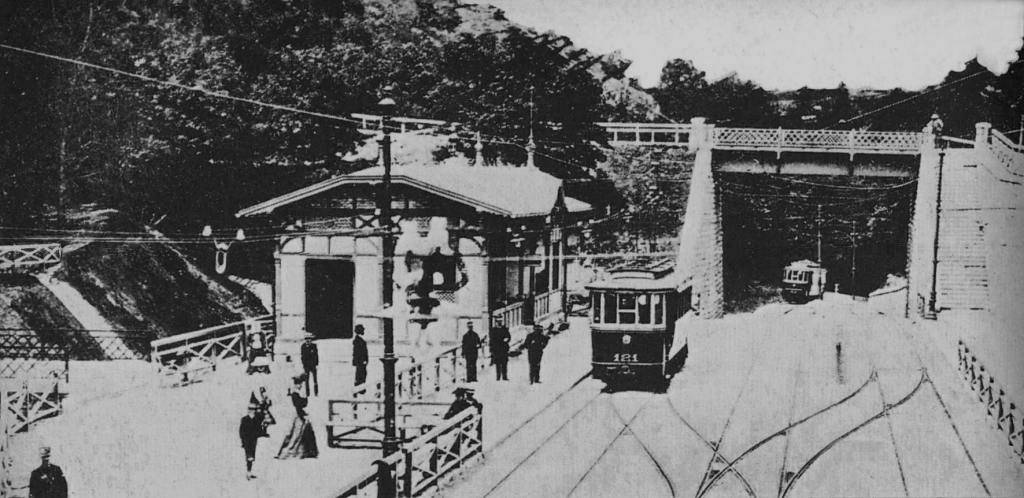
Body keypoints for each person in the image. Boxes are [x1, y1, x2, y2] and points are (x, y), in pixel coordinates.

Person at [276, 375, 319, 459]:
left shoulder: (296, 393)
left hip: (298, 414)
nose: (300, 386)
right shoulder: (295, 393)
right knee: (296, 434)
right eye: (299, 384)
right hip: (297, 415)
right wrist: (303, 416)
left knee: (299, 433)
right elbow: (298, 407)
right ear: (296, 384)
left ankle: (305, 451)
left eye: (301, 384)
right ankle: (289, 452)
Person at [239, 404, 261, 480]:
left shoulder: (256, 419)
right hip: (247, 440)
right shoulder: (244, 419)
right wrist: (243, 441)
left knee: (252, 456)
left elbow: (259, 429)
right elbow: (241, 431)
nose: (252, 411)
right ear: (248, 410)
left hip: (253, 440)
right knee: (249, 456)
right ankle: (248, 473)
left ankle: (249, 472)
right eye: (250, 409)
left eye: (253, 409)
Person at [489, 316, 511, 381]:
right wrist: (491, 349)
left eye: (500, 321)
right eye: (498, 322)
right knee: (498, 364)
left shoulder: (504, 329)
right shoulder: (493, 330)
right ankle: (498, 377)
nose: (499, 323)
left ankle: (504, 377)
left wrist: (507, 339)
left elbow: (509, 337)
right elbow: (491, 340)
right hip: (497, 349)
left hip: (504, 349)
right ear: (496, 322)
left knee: (504, 363)